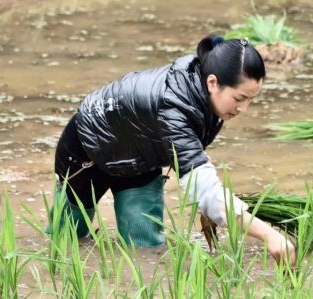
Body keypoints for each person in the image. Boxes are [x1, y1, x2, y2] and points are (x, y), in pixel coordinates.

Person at [47, 34, 296, 267]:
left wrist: (209, 210)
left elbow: (194, 163)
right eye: (240, 98)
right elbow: (203, 185)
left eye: (251, 100)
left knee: (144, 250)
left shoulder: (213, 103)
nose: (244, 109)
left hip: (141, 158)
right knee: (65, 244)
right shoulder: (174, 108)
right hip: (86, 152)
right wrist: (269, 235)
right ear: (213, 83)